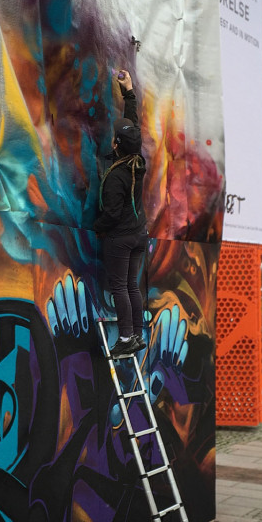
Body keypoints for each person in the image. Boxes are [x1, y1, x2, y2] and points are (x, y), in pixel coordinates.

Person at [94, 69, 148, 359]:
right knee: (131, 285)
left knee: (119, 286)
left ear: (116, 145)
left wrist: (95, 226)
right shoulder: (138, 161)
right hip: (139, 233)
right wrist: (128, 92)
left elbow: (111, 215)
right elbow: (134, 129)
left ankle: (126, 337)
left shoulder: (116, 177)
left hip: (122, 237)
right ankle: (136, 334)